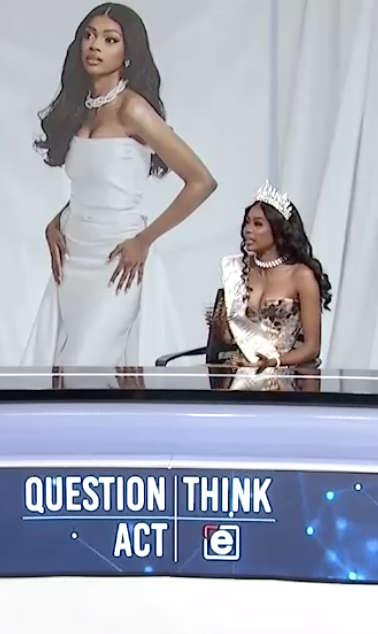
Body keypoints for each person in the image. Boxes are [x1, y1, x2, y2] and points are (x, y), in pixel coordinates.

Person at [22, 3, 216, 367]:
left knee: (87, 366)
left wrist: (144, 240)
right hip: (72, 258)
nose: (95, 45)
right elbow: (95, 184)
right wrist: (56, 221)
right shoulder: (81, 109)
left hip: (117, 260)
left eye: (110, 39)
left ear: (128, 54)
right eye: (89, 35)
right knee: (63, 370)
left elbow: (201, 181)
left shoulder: (133, 110)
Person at [207, 181, 332, 390]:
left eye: (258, 224)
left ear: (278, 230)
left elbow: (312, 349)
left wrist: (273, 362)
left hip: (283, 380)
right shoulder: (237, 271)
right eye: (247, 223)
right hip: (238, 377)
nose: (248, 230)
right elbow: (224, 342)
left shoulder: (301, 276)